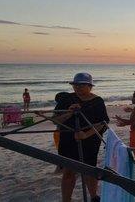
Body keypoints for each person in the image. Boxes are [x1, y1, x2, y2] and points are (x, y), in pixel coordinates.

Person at [56, 73, 109, 202]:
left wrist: (85, 134)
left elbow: (102, 124)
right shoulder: (66, 99)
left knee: (89, 170)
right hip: (69, 140)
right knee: (68, 171)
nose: (78, 88)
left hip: (90, 141)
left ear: (90, 86)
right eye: (75, 85)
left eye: (82, 85)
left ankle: (93, 196)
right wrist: (68, 113)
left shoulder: (97, 101)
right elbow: (56, 120)